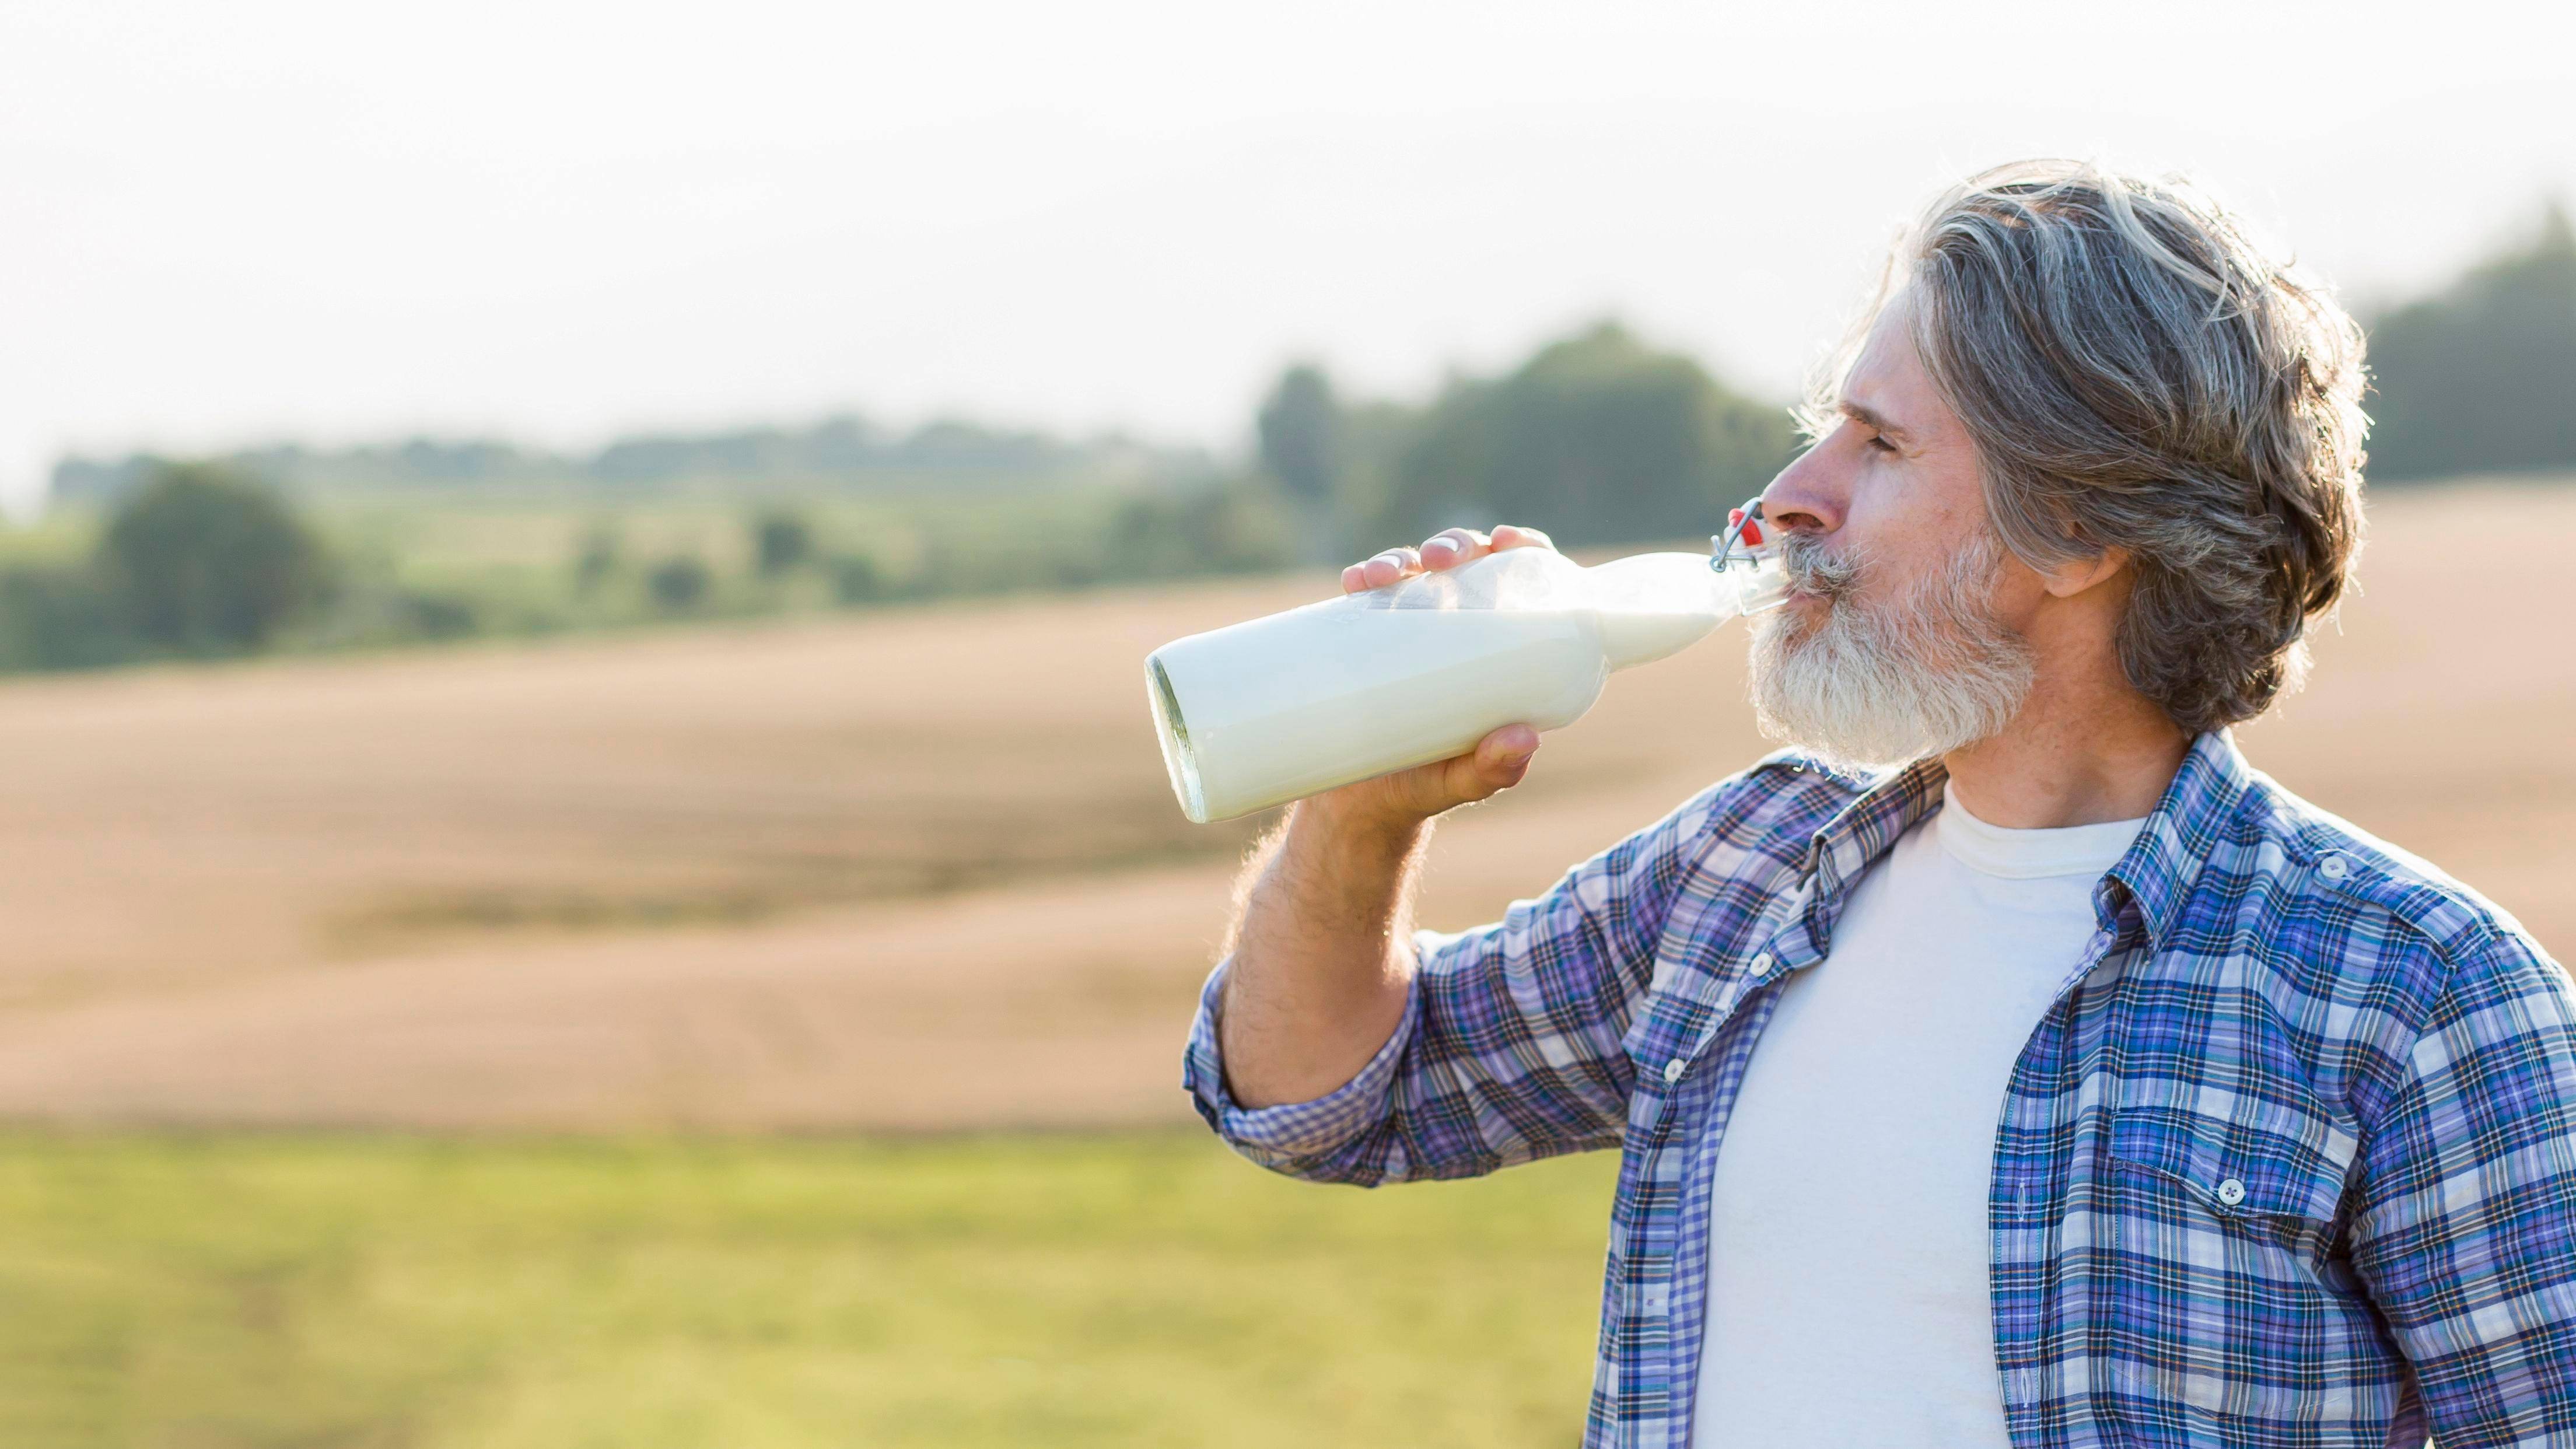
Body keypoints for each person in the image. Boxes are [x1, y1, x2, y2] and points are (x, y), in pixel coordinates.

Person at [1178, 158, 2576, 1447]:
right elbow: (1324, 1098)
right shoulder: (1743, 873)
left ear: (2078, 525)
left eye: (1879, 444)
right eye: (1820, 433)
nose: (1790, 496)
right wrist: (1362, 811)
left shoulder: (2419, 996)